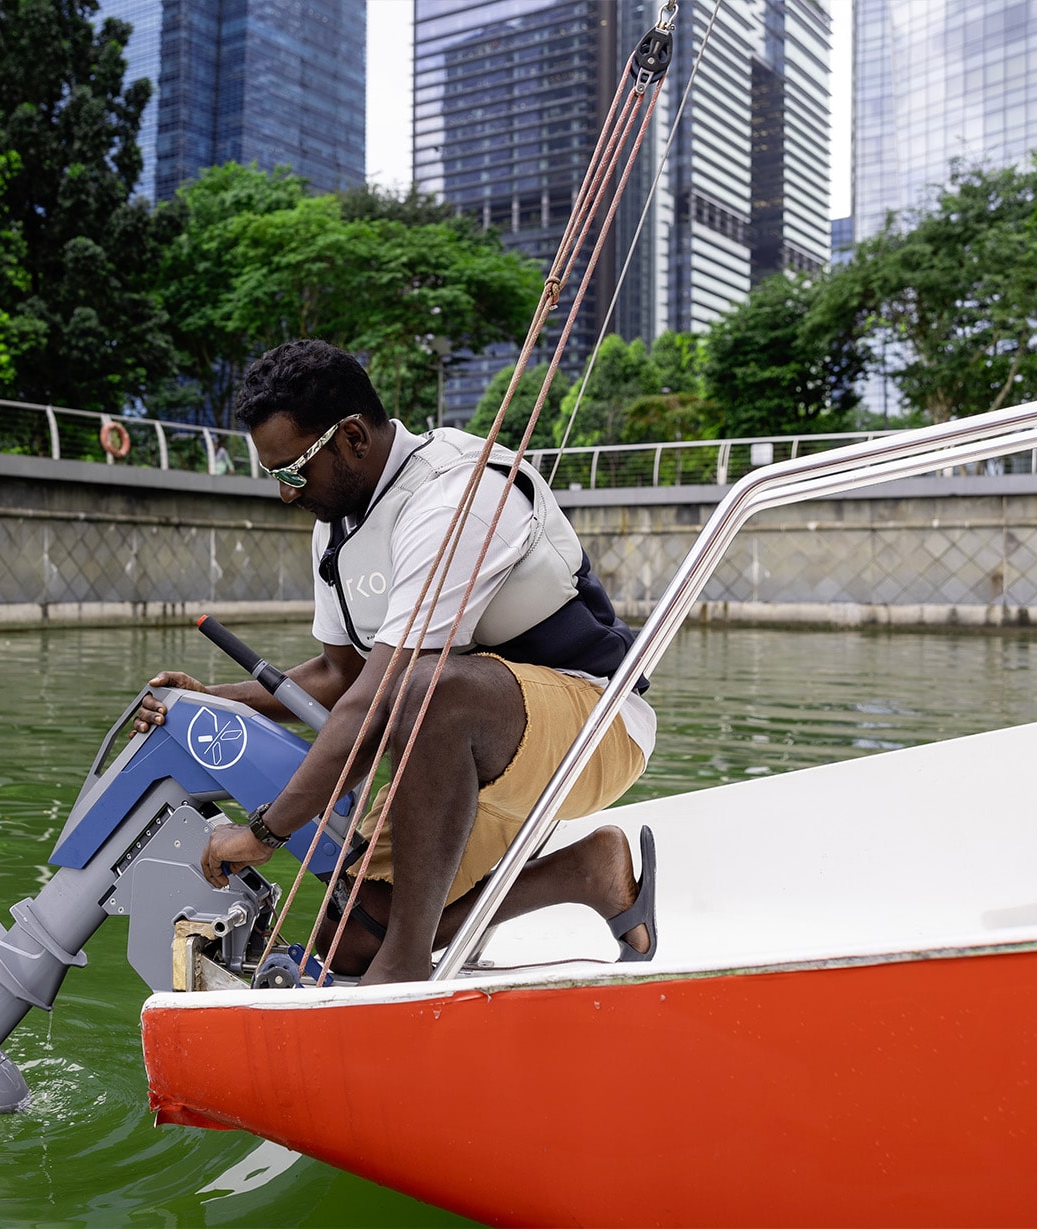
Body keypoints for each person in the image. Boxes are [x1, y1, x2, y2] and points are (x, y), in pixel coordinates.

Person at [134, 340, 658, 984]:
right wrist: (211, 699)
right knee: (350, 935)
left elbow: (380, 697)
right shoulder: (341, 518)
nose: (283, 494)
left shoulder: (455, 498)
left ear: (351, 438)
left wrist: (263, 835)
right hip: (465, 734)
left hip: (596, 723)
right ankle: (588, 873)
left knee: (427, 691)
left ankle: (404, 969)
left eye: (293, 472)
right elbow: (340, 676)